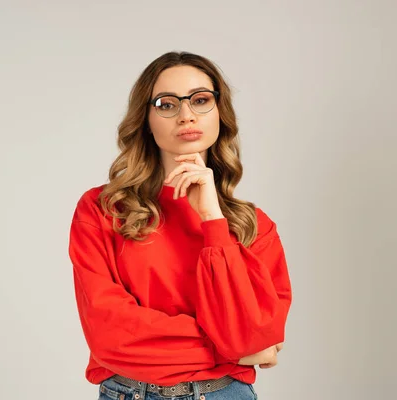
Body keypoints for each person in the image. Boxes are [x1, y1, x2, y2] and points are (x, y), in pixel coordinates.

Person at [68, 51, 292, 400]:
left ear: (220, 113)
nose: (186, 115)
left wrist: (213, 220)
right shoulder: (103, 211)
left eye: (201, 100)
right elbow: (109, 334)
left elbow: (255, 335)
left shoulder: (255, 228)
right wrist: (228, 348)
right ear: (146, 119)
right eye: (167, 104)